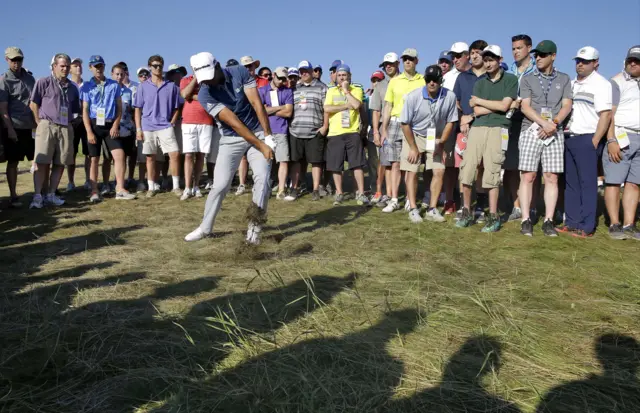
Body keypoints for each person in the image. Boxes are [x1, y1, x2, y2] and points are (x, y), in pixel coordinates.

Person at [184, 52, 274, 245]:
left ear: (217, 66)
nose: (207, 82)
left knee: (263, 179)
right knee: (220, 185)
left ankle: (254, 230)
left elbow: (256, 103)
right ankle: (205, 228)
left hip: (257, 132)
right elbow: (234, 124)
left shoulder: (240, 72)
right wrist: (262, 146)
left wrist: (267, 136)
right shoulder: (204, 93)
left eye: (209, 76)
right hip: (231, 138)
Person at [456, 45, 518, 233]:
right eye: (486, 59)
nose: (488, 63)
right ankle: (466, 211)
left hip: (498, 128)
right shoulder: (480, 82)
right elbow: (476, 110)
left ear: (500, 60)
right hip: (478, 127)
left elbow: (504, 105)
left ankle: (493, 216)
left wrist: (487, 103)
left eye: (492, 59)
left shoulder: (510, 79)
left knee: (492, 171)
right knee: (467, 169)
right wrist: (500, 106)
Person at [517, 40, 572, 236]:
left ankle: (548, 220)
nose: (538, 58)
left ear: (553, 56)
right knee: (528, 176)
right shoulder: (528, 79)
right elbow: (525, 106)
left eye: (543, 55)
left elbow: (567, 105)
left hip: (554, 132)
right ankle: (525, 219)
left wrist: (554, 123)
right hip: (531, 130)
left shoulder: (564, 79)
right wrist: (544, 123)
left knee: (551, 177)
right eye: (536, 55)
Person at [561, 46, 612, 238]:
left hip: (587, 138)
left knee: (587, 183)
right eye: (578, 61)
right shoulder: (572, 83)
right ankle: (572, 222)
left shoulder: (601, 84)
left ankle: (587, 226)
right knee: (571, 183)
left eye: (585, 61)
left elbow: (605, 115)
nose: (580, 64)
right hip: (569, 136)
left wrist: (595, 140)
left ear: (596, 63)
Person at [400, 65, 458, 223]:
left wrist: (441, 143)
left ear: (441, 81)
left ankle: (432, 209)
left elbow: (451, 122)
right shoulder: (414, 96)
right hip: (414, 134)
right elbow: (404, 123)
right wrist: (413, 147)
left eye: (435, 80)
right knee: (412, 170)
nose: (431, 83)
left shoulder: (449, 97)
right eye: (428, 80)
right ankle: (413, 208)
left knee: (439, 170)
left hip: (436, 137)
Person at [28, 53, 80, 208]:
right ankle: (38, 196)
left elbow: (75, 109)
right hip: (47, 125)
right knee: (42, 162)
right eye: (62, 65)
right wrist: (38, 122)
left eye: (67, 66)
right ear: (54, 66)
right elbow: (33, 104)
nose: (65, 69)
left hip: (65, 126)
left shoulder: (72, 88)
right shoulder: (43, 82)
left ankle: (51, 194)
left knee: (60, 162)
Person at [603, 45, 640, 240]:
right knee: (614, 182)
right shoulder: (616, 82)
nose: (633, 63)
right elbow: (610, 114)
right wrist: (611, 139)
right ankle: (614, 224)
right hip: (620, 137)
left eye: (637, 61)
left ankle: (629, 224)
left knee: (634, 184)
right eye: (630, 60)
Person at [380, 48, 424, 213]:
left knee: (411, 165)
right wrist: (384, 128)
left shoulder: (423, 80)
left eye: (411, 59)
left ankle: (408, 198)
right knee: (395, 164)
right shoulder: (395, 81)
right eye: (405, 59)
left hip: (414, 125)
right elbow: (388, 105)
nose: (408, 62)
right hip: (395, 123)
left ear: (416, 61)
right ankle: (393, 199)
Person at [134, 55, 182, 197]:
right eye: (155, 65)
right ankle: (151, 187)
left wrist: (172, 121)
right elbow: (137, 109)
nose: (158, 68)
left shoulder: (171, 86)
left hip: (165, 125)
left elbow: (178, 106)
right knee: (150, 157)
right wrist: (138, 129)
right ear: (149, 67)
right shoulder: (142, 87)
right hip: (147, 125)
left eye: (160, 65)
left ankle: (176, 186)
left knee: (174, 154)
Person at [323, 64, 369, 206]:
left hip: (352, 132)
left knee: (357, 164)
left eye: (345, 75)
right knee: (336, 166)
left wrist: (346, 91)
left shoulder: (356, 89)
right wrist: (344, 106)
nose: (342, 77)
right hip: (335, 132)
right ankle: (339, 193)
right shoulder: (331, 91)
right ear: (336, 77)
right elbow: (326, 108)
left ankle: (360, 193)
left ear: (350, 76)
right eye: (339, 75)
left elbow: (356, 105)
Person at [452, 40, 488, 220]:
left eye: (478, 53)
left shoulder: (491, 77)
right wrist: (462, 120)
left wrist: (471, 117)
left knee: (481, 167)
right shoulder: (463, 77)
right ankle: (463, 206)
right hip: (464, 128)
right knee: (464, 167)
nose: (474, 56)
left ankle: (480, 206)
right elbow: (456, 102)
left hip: (484, 125)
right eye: (472, 53)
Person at [80, 55, 123, 203]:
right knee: (94, 159)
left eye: (100, 66)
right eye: (95, 66)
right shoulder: (86, 86)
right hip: (94, 125)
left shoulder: (114, 85)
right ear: (90, 68)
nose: (98, 69)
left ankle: (120, 189)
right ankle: (94, 191)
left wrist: (116, 124)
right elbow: (84, 110)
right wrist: (89, 131)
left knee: (119, 155)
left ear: (104, 67)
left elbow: (119, 107)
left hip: (110, 124)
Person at [505, 34, 536, 222]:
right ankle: (516, 206)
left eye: (519, 48)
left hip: (531, 121)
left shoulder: (537, 69)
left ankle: (531, 207)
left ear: (529, 48)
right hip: (510, 121)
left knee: (531, 169)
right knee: (511, 166)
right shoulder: (508, 70)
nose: (516, 51)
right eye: (513, 48)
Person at [0, 47, 36, 207]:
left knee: (39, 160)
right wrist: (10, 129)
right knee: (13, 162)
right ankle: (13, 195)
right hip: (14, 127)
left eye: (19, 59)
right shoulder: (4, 80)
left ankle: (40, 192)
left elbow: (36, 101)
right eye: (13, 60)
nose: (17, 63)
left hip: (32, 126)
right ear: (7, 60)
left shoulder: (30, 78)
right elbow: (3, 109)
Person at [288, 61, 329, 201]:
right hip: (296, 130)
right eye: (301, 71)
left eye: (306, 70)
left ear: (312, 71)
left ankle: (316, 189)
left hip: (315, 131)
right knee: (296, 162)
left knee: (316, 162)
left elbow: (327, 109)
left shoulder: (322, 87)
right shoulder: (294, 88)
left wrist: (325, 127)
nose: (304, 73)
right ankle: (295, 187)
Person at [179, 69, 216, 200]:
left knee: (201, 155)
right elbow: (184, 94)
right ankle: (187, 188)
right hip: (189, 120)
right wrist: (195, 79)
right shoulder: (186, 80)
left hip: (206, 121)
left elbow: (211, 97)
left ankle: (196, 186)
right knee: (189, 154)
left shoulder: (209, 81)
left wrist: (194, 96)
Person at [258, 66, 293, 200]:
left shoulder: (287, 91)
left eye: (284, 78)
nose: (281, 81)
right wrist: (280, 107)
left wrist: (269, 109)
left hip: (281, 130)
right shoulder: (262, 91)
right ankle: (264, 189)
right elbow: (260, 111)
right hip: (265, 131)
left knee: (283, 160)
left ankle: (281, 189)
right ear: (273, 75)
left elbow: (289, 112)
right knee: (265, 161)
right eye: (279, 78)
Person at [370, 52, 399, 207]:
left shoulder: (403, 81)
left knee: (403, 163)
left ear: (397, 64)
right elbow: (376, 110)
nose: (388, 66)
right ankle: (388, 194)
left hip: (403, 124)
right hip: (385, 127)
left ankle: (405, 195)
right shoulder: (380, 86)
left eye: (391, 63)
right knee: (386, 163)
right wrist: (376, 131)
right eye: (385, 64)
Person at [108, 63, 137, 199]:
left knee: (123, 157)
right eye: (117, 74)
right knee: (114, 157)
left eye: (122, 74)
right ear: (112, 74)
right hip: (112, 129)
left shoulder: (128, 92)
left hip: (127, 129)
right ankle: (113, 184)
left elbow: (132, 110)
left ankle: (120, 183)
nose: (119, 77)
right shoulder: (107, 90)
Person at [67, 57, 90, 191]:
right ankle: (71, 182)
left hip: (86, 120)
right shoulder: (67, 84)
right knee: (72, 153)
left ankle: (88, 180)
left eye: (80, 65)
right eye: (75, 66)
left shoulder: (87, 85)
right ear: (70, 69)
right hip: (72, 121)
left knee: (88, 152)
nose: (78, 68)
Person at [133, 67, 151, 192]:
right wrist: (138, 128)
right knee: (142, 157)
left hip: (153, 126)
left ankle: (152, 180)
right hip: (141, 127)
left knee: (152, 156)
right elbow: (136, 110)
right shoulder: (136, 90)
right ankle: (140, 181)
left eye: (146, 74)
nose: (144, 76)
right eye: (141, 75)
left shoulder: (152, 87)